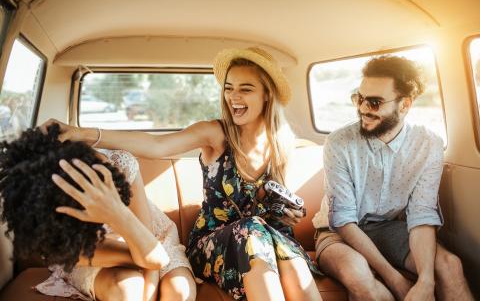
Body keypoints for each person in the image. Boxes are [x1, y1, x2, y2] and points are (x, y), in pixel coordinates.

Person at [42, 46, 322, 301]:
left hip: (260, 242)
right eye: (229, 88)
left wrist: (285, 215)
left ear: (267, 95)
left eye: (245, 89)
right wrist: (85, 133)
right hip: (214, 246)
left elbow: (267, 213)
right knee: (252, 231)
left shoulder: (282, 145)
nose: (233, 97)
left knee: (286, 252)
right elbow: (156, 145)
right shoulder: (216, 133)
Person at [312, 55, 474, 301]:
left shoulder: (428, 145)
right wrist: (394, 279)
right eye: (360, 98)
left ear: (405, 104)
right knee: (359, 276)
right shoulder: (338, 143)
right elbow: (343, 220)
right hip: (337, 232)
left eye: (375, 102)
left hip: (391, 228)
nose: (364, 109)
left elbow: (421, 216)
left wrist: (426, 282)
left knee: (450, 266)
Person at [0, 124, 196, 301]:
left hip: (152, 236)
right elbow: (145, 260)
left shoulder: (120, 165)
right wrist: (135, 256)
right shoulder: (52, 218)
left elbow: (154, 254)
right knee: (128, 290)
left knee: (178, 292)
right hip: (89, 245)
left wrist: (117, 212)